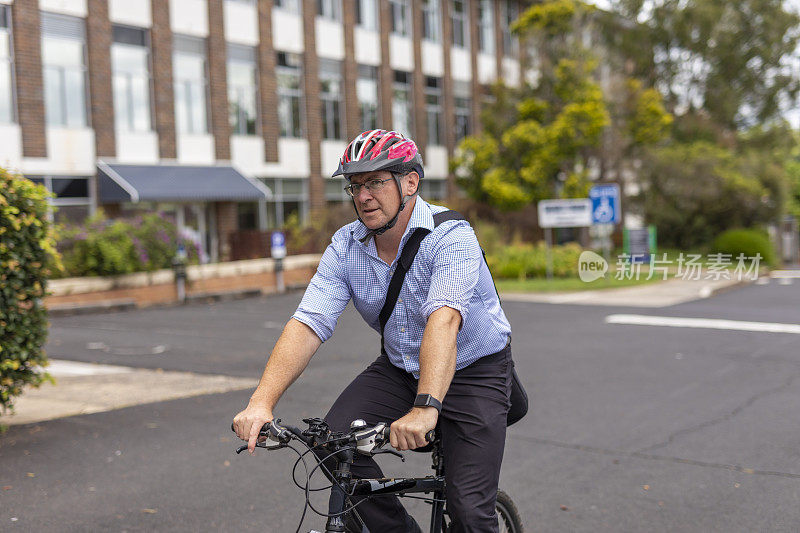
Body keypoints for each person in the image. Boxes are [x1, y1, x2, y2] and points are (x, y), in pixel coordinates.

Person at [233, 129, 514, 532]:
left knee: (469, 510)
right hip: (402, 367)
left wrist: (425, 408)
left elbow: (445, 319)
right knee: (331, 441)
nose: (363, 196)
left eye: (376, 182)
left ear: (410, 182)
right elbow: (309, 322)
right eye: (356, 185)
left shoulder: (451, 237)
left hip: (475, 370)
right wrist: (261, 402)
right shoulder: (346, 246)